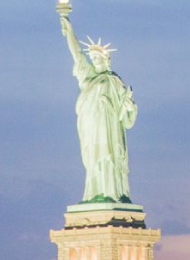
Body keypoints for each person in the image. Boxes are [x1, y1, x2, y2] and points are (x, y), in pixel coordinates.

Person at [60, 14, 138, 203]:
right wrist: (69, 30)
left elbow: (126, 114)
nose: (95, 60)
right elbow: (77, 53)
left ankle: (112, 192)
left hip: (109, 128)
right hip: (90, 125)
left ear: (107, 59)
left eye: (98, 57)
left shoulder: (114, 81)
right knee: (93, 159)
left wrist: (129, 106)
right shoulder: (87, 77)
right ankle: (94, 193)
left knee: (108, 156)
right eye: (92, 58)